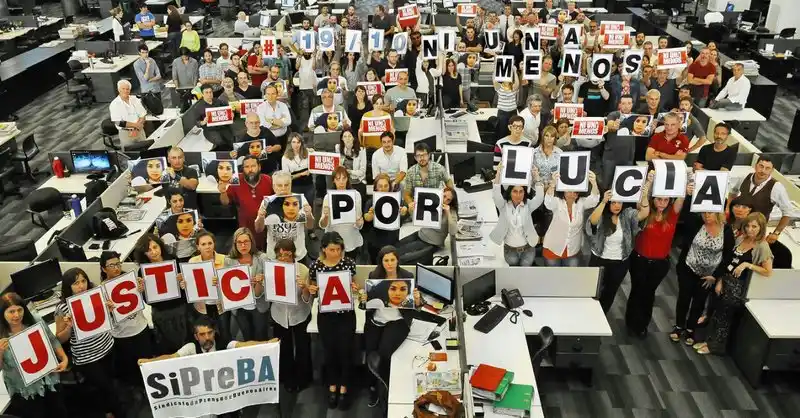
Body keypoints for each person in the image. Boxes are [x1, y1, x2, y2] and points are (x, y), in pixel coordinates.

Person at [694, 213, 773, 355]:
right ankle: (709, 341)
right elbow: (728, 261)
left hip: (738, 287)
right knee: (716, 312)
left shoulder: (762, 246)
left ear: (761, 228)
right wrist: (720, 281)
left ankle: (716, 347)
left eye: (754, 226)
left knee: (725, 317)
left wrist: (747, 265)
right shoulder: (740, 239)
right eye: (748, 226)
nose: (750, 229)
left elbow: (767, 271)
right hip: (726, 280)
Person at [55, 268, 123, 418]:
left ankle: (108, 411)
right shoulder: (62, 308)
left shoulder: (96, 295)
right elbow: (60, 339)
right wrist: (68, 327)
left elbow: (107, 322)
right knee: (107, 387)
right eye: (76, 283)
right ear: (68, 287)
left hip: (106, 346)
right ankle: (118, 412)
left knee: (109, 384)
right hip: (87, 357)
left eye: (83, 281)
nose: (81, 286)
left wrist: (110, 310)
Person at [626, 183, 689, 339]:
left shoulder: (672, 215)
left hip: (660, 263)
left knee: (649, 293)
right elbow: (641, 201)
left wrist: (685, 188)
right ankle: (631, 321)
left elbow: (680, 200)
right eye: (659, 199)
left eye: (665, 200)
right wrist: (648, 183)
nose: (662, 203)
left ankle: (642, 325)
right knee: (637, 290)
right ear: (653, 200)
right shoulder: (646, 213)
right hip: (640, 259)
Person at [361, 246, 421, 407]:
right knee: (370, 353)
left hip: (397, 322)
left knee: (383, 353)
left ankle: (388, 388)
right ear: (381, 262)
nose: (389, 264)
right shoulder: (374, 276)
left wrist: (416, 300)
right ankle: (373, 386)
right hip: (377, 320)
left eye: (392, 260)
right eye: (386, 260)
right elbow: (367, 305)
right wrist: (364, 298)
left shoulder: (407, 276)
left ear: (397, 260)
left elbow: (415, 306)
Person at [309, 232, 360, 410]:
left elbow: (353, 285)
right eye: (332, 249)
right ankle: (332, 385)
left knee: (345, 351)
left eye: (338, 249)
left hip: (346, 314)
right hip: (326, 316)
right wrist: (311, 288)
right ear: (323, 249)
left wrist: (355, 288)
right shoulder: (316, 266)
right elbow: (312, 289)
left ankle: (344, 386)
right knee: (329, 351)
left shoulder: (349, 264)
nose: (336, 253)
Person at [588, 175, 653, 313]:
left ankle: (602, 313)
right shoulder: (602, 215)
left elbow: (644, 213)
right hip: (599, 259)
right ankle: (589, 313)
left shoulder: (627, 215)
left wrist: (645, 195)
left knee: (610, 292)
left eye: (619, 202)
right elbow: (593, 221)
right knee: (592, 290)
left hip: (620, 262)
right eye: (613, 202)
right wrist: (603, 202)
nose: (617, 205)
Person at [0, 292, 69, 418]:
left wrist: (63, 358)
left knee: (60, 412)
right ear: (2, 313)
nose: (16, 315)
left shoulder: (35, 321)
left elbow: (52, 340)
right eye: (11, 311)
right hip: (24, 391)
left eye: (19, 310)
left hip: (49, 380)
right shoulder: (1, 335)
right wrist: (0, 352)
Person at [671, 211, 735, 347]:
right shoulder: (696, 223)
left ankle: (690, 329)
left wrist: (715, 276)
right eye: (704, 213)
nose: (706, 216)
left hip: (709, 276)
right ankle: (679, 326)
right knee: (684, 298)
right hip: (688, 268)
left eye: (710, 213)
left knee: (699, 302)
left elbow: (728, 256)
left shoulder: (727, 230)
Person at [99, 251, 156, 389]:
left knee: (148, 363)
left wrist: (142, 289)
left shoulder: (131, 279)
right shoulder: (101, 290)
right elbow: (102, 319)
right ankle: (138, 391)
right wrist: (108, 310)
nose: (116, 268)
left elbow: (143, 301)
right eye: (111, 265)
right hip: (122, 335)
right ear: (103, 268)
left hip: (140, 328)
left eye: (118, 263)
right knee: (131, 369)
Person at [269, 239, 313, 392]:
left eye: (287, 255)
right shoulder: (271, 269)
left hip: (300, 313)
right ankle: (287, 378)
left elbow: (308, 300)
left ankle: (303, 377)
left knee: (302, 347)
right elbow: (267, 295)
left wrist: (305, 288)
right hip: (279, 314)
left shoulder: (303, 269)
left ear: (293, 254)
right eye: (280, 256)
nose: (283, 259)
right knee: (284, 348)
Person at [133, 234, 189, 353]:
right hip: (161, 315)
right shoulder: (142, 271)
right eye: (148, 250)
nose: (153, 252)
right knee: (168, 348)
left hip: (180, 310)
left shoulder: (174, 260)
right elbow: (148, 301)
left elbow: (185, 291)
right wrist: (142, 291)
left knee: (185, 345)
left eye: (155, 247)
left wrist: (183, 283)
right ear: (144, 253)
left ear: (160, 246)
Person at [727, 155, 794, 243]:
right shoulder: (744, 177)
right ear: (756, 166)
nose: (763, 171)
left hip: (756, 233)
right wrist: (728, 209)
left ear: (772, 170)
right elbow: (733, 193)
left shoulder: (777, 187)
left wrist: (776, 233)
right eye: (761, 166)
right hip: (737, 226)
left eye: (767, 168)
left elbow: (787, 212)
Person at [542, 172, 600, 266]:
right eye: (569, 191)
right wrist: (553, 184)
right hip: (552, 249)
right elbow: (548, 202)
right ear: (563, 191)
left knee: (570, 278)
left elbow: (594, 200)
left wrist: (594, 183)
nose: (572, 194)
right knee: (553, 278)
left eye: (575, 192)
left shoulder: (581, 203)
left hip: (572, 251)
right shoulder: (558, 202)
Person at [491, 164, 544, 266]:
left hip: (528, 250)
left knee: (525, 275)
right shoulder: (503, 205)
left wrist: (537, 178)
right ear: (510, 192)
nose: (518, 195)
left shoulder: (528, 205)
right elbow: (496, 193)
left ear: (524, 193)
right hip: (510, 251)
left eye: (521, 191)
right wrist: (498, 174)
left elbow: (539, 197)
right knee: (513, 273)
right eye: (515, 191)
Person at [256, 171, 314, 261]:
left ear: (291, 185)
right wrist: (260, 218)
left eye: (286, 185)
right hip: (274, 256)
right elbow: (258, 229)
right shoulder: (267, 202)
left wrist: (309, 215)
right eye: (279, 185)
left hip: (298, 255)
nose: (283, 189)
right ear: (274, 187)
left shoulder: (300, 199)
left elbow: (310, 226)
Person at [223, 227, 269, 341]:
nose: (243, 245)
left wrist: (262, 280)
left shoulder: (262, 257)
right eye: (239, 242)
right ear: (235, 244)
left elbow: (271, 283)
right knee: (246, 337)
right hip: (240, 308)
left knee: (261, 337)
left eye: (246, 242)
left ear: (251, 242)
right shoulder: (229, 261)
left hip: (259, 306)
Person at [220, 156, 275, 249]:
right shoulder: (236, 180)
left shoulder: (268, 180)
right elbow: (225, 202)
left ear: (259, 167)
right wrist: (223, 192)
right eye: (246, 167)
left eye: (253, 166)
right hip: (245, 227)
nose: (250, 170)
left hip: (266, 226)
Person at [397, 186, 459, 265]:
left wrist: (448, 213)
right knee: (396, 246)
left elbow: (453, 232)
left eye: (448, 200)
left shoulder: (451, 212)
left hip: (431, 243)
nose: (445, 200)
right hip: (420, 234)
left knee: (401, 254)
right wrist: (411, 209)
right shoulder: (431, 204)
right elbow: (417, 220)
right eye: (444, 196)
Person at [320, 166, 364, 259]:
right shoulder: (328, 197)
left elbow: (359, 222)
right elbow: (323, 225)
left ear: (348, 179)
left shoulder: (356, 195)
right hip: (333, 242)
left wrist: (359, 223)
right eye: (338, 179)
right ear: (333, 180)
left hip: (351, 239)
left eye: (344, 178)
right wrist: (326, 216)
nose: (341, 182)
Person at [364, 173, 407, 263]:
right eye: (380, 186)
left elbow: (404, 211)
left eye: (385, 186)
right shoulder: (370, 202)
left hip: (392, 241)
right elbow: (366, 218)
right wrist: (370, 216)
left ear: (389, 187)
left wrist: (404, 211)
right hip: (375, 243)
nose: (383, 189)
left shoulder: (397, 200)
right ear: (375, 187)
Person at [157, 189, 200, 261]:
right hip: (173, 255)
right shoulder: (162, 218)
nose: (179, 204)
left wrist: (198, 227)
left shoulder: (190, 213)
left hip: (191, 250)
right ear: (169, 202)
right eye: (175, 201)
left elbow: (197, 231)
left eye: (181, 200)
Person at [109, 79, 153, 150]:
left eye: (127, 89)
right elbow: (118, 122)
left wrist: (136, 128)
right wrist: (136, 126)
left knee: (145, 151)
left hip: (140, 131)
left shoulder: (135, 99)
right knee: (130, 155)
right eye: (123, 89)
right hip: (126, 133)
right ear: (119, 90)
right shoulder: (114, 104)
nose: (126, 91)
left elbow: (142, 115)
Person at [194, 84, 236, 150]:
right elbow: (196, 122)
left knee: (231, 140)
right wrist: (203, 122)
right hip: (210, 129)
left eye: (210, 92)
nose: (209, 94)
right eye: (206, 92)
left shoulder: (218, 101)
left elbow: (228, 108)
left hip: (223, 126)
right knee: (220, 142)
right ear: (202, 94)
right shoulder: (198, 107)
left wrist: (231, 113)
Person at [281, 133, 314, 207]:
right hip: (295, 187)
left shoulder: (308, 153)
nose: (296, 145)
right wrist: (301, 174)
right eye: (294, 142)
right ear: (290, 143)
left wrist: (314, 153)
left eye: (298, 142)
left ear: (301, 143)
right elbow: (287, 177)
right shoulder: (285, 158)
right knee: (298, 207)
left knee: (309, 206)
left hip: (309, 185)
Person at [256, 84, 291, 149]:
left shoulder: (283, 105)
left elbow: (288, 121)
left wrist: (271, 121)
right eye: (268, 94)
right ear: (265, 95)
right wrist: (280, 123)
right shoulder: (260, 108)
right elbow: (263, 125)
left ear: (277, 95)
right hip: (268, 140)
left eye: (273, 94)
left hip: (283, 138)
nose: (270, 96)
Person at [336, 130, 367, 202]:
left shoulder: (361, 150)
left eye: (349, 136)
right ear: (342, 139)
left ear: (353, 138)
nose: (347, 138)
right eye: (345, 136)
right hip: (344, 183)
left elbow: (362, 171)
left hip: (358, 182)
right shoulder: (338, 148)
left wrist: (349, 171)